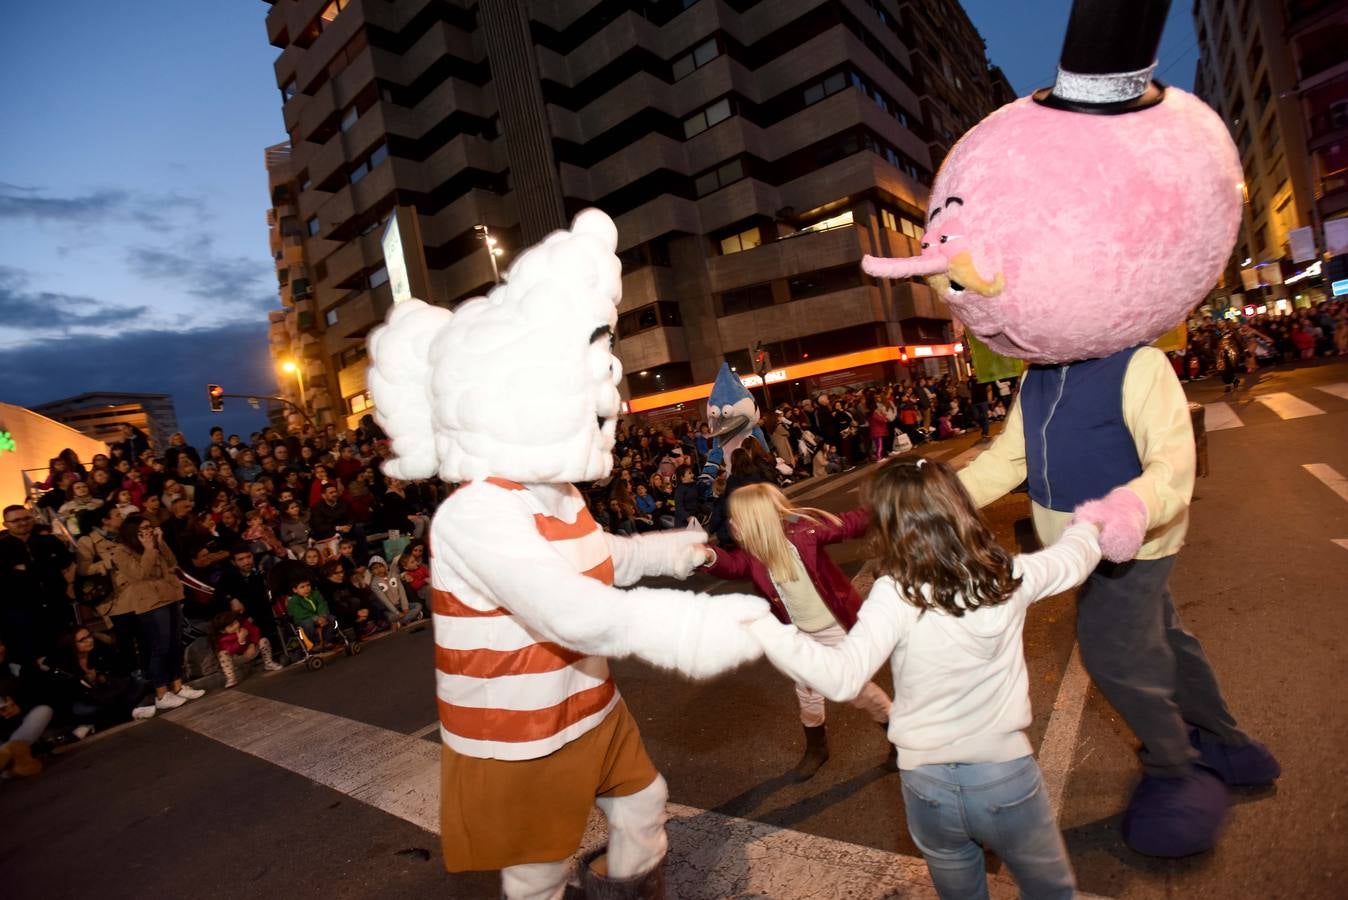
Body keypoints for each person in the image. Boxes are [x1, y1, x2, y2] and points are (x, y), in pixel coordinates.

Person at [747, 459, 1104, 898]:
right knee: (1051, 892)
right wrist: (1090, 521)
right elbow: (1075, 558)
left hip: (926, 784)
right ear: (959, 507)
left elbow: (841, 679)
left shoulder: (893, 593)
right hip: (1003, 776)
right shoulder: (1008, 575)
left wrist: (764, 628)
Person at [698, 483, 891, 780]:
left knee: (856, 690)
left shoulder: (804, 533)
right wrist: (708, 556)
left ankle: (898, 735)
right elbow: (731, 565)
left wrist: (892, 503)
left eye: (736, 517)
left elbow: (849, 524)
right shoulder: (752, 553)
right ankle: (817, 749)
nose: (731, 524)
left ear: (756, 518)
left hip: (834, 629)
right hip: (799, 635)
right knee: (807, 690)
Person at [109, 514, 204, 711]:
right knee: (160, 647)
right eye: (144, 528)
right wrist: (149, 549)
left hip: (170, 595)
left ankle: (177, 685)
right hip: (151, 603)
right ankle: (161, 693)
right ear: (134, 531)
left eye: (150, 527)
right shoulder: (121, 551)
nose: (149, 531)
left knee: (175, 643)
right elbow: (140, 574)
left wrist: (160, 543)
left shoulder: (154, 544)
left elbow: (171, 562)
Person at [1, 504, 76, 664]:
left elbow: (69, 564)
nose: (23, 523)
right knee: (33, 658)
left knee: (64, 651)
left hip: (57, 606)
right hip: (23, 613)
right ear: (6, 524)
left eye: (27, 518)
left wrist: (70, 586)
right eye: (16, 520)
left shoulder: (50, 540)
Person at [47, 626, 156, 729]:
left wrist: (102, 677)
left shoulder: (99, 652)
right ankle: (128, 713)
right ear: (71, 644)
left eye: (89, 636)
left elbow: (119, 674)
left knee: (139, 682)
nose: (89, 640)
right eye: (82, 640)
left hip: (109, 694)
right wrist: (86, 682)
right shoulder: (64, 665)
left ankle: (103, 720)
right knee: (85, 709)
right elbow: (70, 695)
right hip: (87, 700)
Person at [0, 635, 52, 777]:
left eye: (1, 644)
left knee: (44, 711)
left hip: (19, 724)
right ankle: (11, 761)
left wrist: (20, 707)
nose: (1, 649)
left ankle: (6, 756)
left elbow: (37, 694)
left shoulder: (15, 669)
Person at [209, 610, 284, 688]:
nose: (236, 626)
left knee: (263, 640)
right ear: (223, 631)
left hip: (252, 651)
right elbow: (230, 650)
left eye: (235, 622)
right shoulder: (223, 639)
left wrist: (252, 644)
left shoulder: (244, 625)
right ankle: (231, 678)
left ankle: (269, 663)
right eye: (231, 626)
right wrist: (240, 641)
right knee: (222, 654)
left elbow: (256, 631)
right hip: (238, 658)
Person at [366, 555, 423, 629]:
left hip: (400, 605)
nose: (378, 569)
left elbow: (402, 592)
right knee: (391, 617)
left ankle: (400, 623)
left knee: (418, 606)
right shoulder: (374, 584)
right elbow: (384, 600)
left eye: (380, 566)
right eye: (374, 568)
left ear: (385, 566)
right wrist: (397, 612)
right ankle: (410, 617)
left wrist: (405, 607)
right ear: (371, 571)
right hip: (388, 609)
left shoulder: (394, 575)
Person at [285, 577, 338, 649]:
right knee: (308, 623)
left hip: (319, 616)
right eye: (302, 587)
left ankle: (327, 640)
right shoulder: (294, 601)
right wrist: (316, 618)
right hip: (304, 619)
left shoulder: (315, 594)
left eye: (308, 585)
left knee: (331, 618)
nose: (306, 588)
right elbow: (300, 613)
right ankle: (316, 643)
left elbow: (322, 604)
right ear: (295, 590)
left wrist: (323, 616)